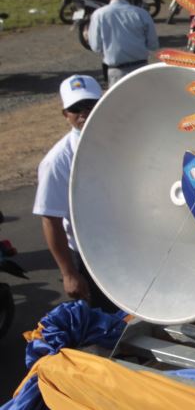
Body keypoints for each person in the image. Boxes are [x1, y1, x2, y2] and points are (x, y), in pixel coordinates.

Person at [34, 75, 116, 313]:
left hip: (131, 242)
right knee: (108, 323)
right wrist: (68, 273)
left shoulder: (119, 140)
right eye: (75, 108)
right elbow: (50, 218)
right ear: (65, 115)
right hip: (91, 256)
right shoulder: (57, 161)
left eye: (90, 105)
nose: (83, 113)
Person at [88, 0, 159, 85]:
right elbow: (153, 45)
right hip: (141, 69)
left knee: (120, 102)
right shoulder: (141, 13)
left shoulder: (99, 15)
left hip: (116, 72)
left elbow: (96, 47)